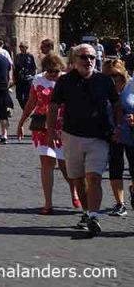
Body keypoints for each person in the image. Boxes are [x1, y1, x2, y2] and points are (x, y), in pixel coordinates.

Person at [48, 43, 123, 237]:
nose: (89, 60)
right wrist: (50, 131)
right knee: (78, 179)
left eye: (91, 57)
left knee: (94, 177)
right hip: (72, 136)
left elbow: (116, 104)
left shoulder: (104, 81)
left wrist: (117, 127)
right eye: (84, 57)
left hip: (99, 137)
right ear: (73, 61)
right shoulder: (64, 82)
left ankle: (93, 215)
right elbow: (54, 106)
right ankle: (85, 212)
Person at [17, 53, 72, 214]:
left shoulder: (67, 80)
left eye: (56, 71)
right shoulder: (38, 80)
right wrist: (21, 122)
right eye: (50, 71)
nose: (54, 74)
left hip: (63, 127)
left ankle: (74, 189)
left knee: (65, 166)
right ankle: (48, 203)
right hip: (42, 127)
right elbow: (31, 103)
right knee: (47, 164)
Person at [102, 59, 134, 217]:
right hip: (112, 133)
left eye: (115, 74)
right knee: (115, 168)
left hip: (132, 132)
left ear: (122, 72)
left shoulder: (132, 85)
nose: (112, 78)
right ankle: (120, 204)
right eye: (107, 75)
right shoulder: (102, 88)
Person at [14, 43, 37, 114]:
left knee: (27, 96)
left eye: (22, 47)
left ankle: (26, 111)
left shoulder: (30, 56)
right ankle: (25, 109)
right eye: (20, 47)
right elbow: (15, 67)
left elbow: (34, 67)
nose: (21, 48)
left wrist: (34, 77)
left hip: (28, 79)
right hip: (19, 79)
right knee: (19, 96)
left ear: (26, 47)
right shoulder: (17, 56)